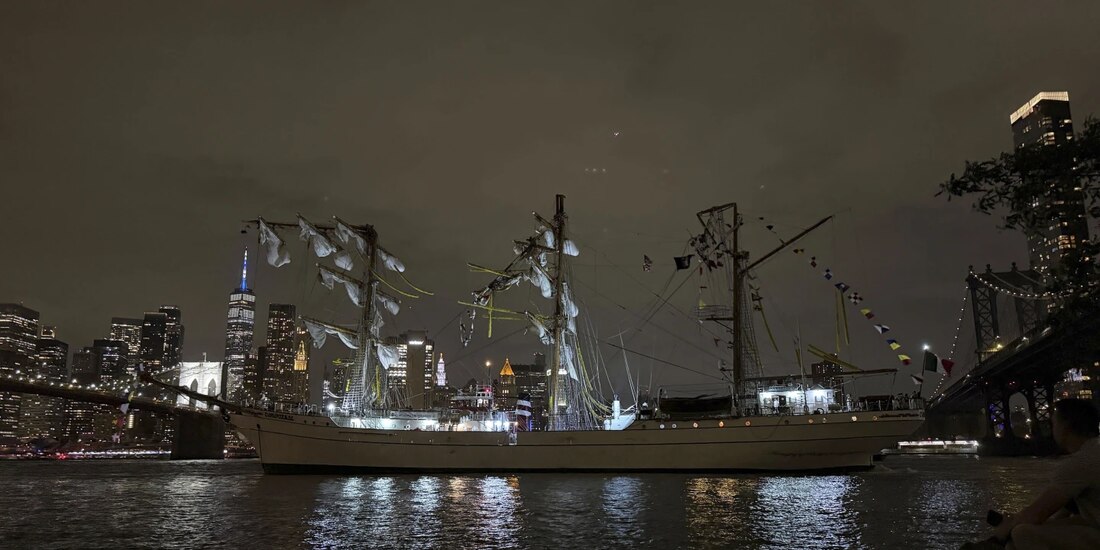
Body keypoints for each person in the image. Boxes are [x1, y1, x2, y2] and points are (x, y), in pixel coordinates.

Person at [991, 398, 1100, 549]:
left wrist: (1005, 529)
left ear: (1065, 427)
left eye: (1054, 423)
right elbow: (1062, 509)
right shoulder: (1094, 450)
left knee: (1022, 533)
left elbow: (1036, 514)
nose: (1052, 428)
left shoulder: (1080, 462)